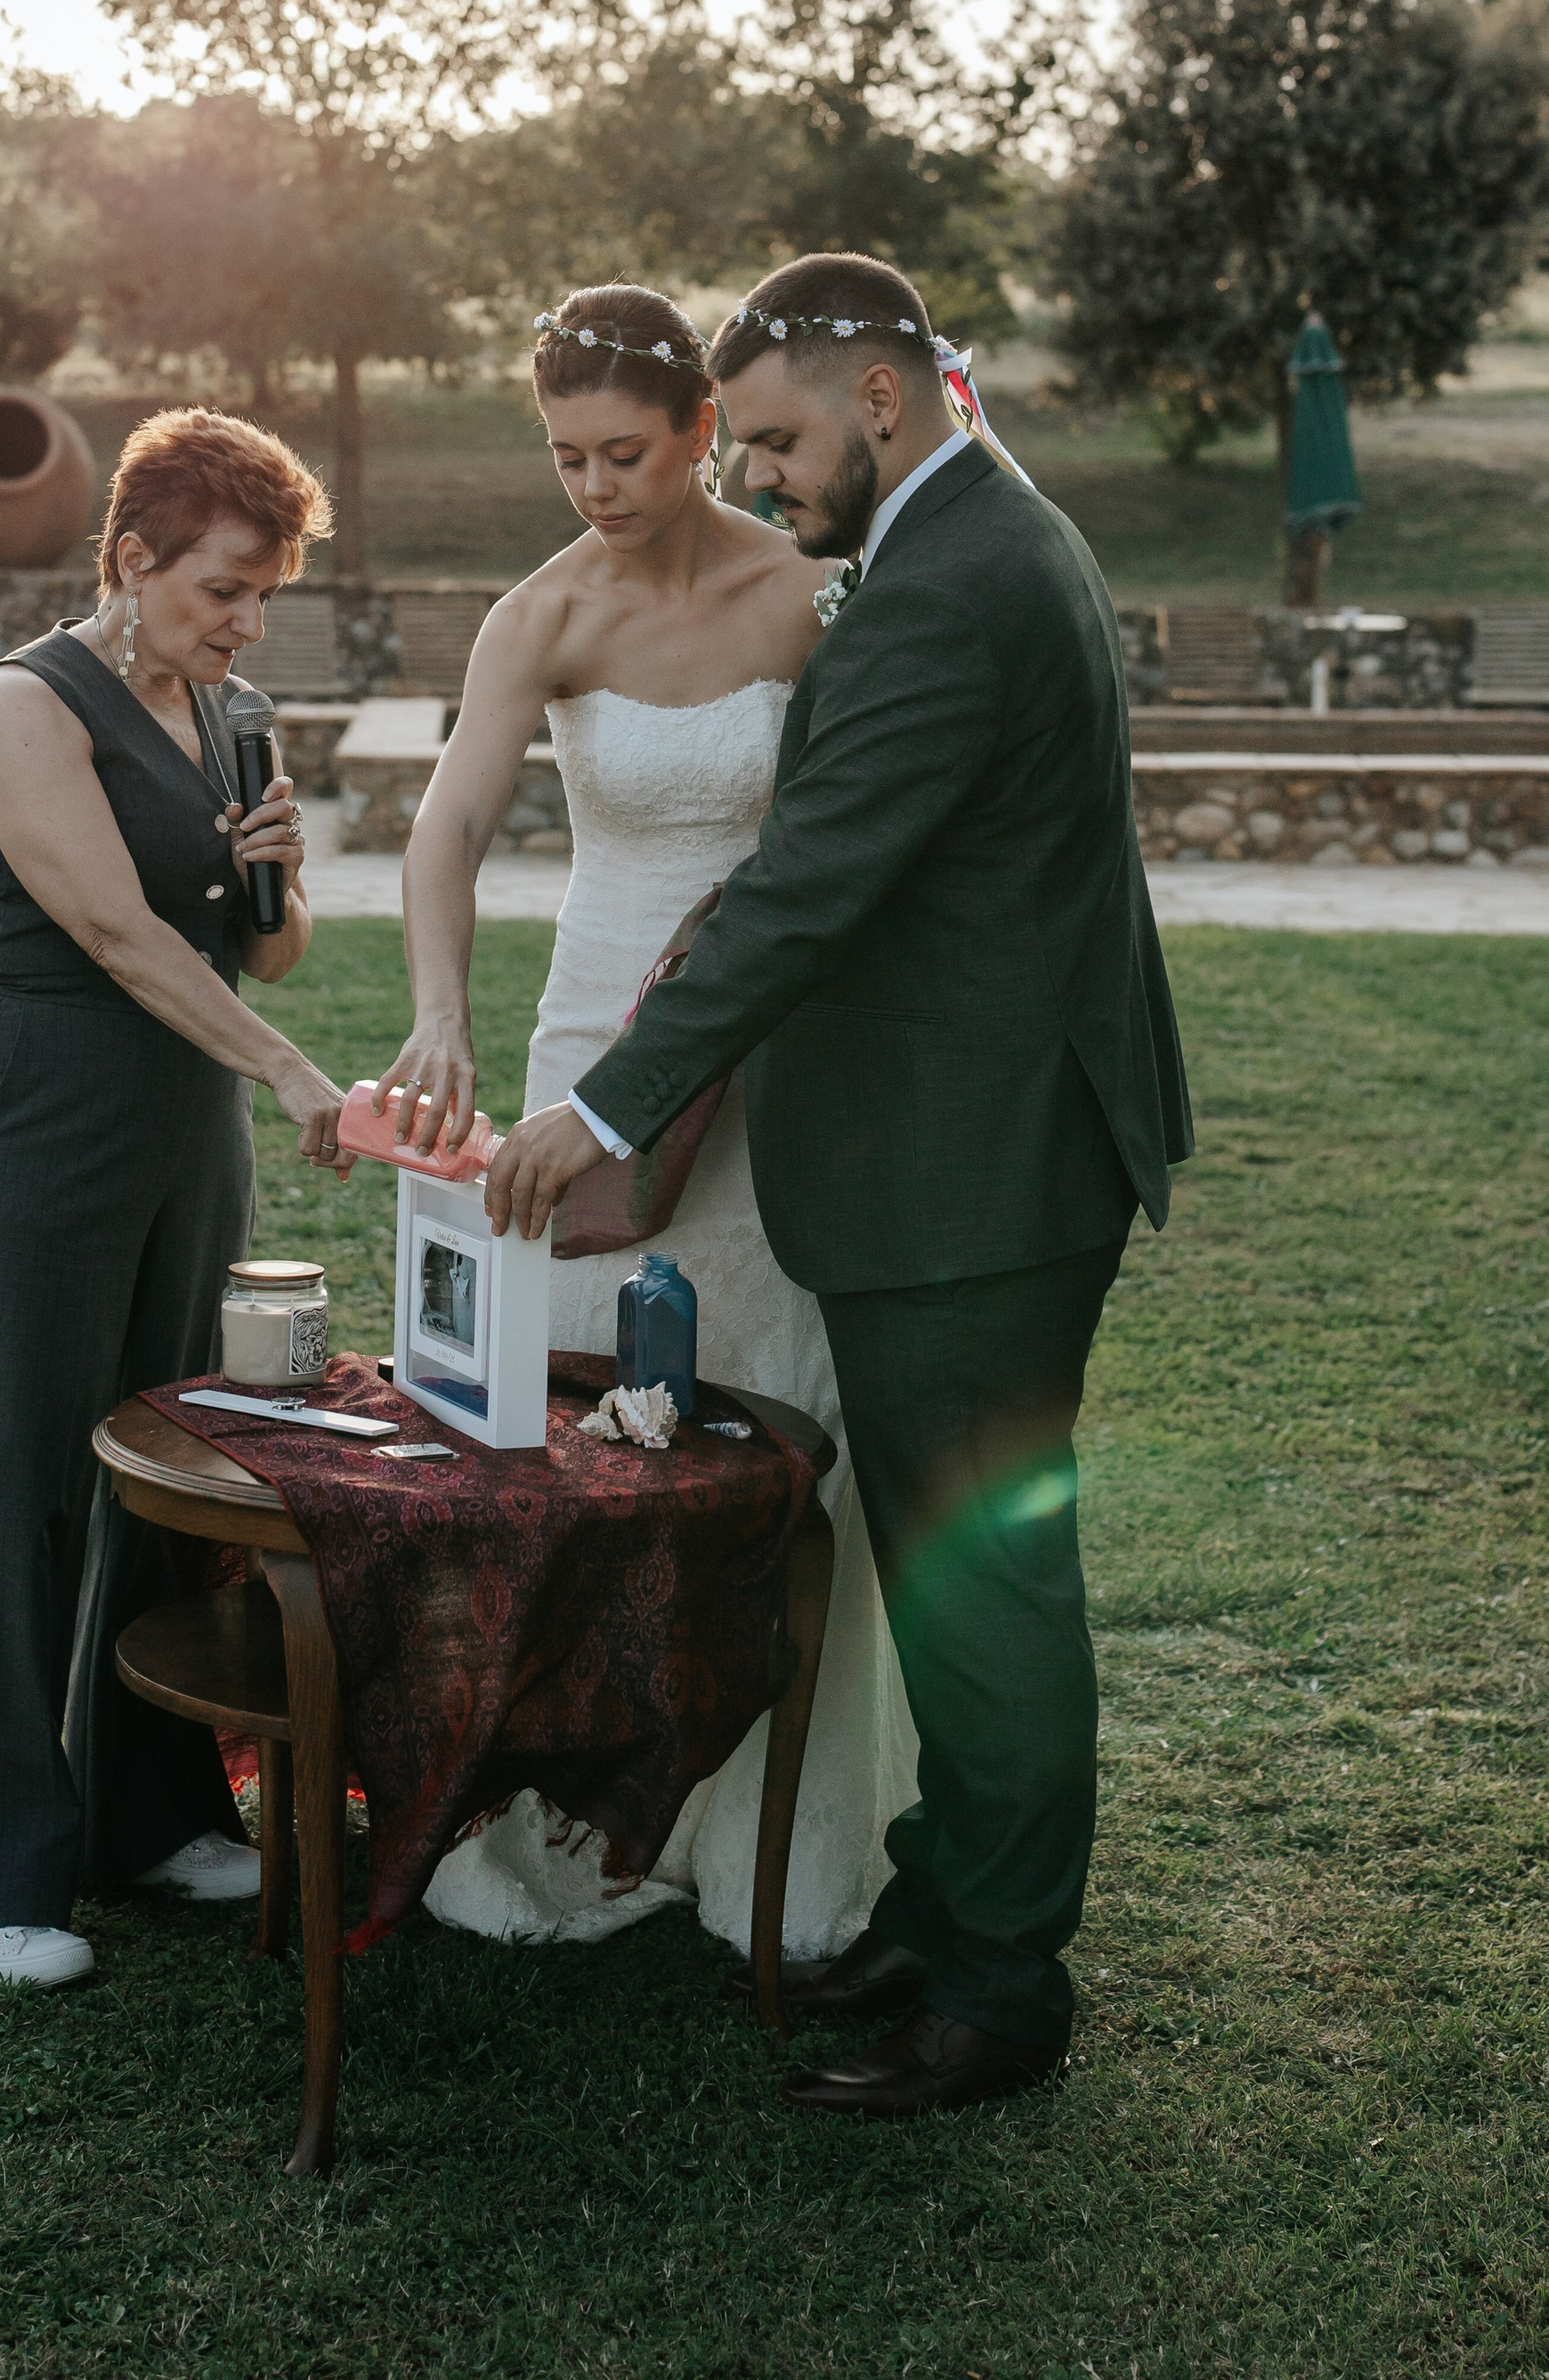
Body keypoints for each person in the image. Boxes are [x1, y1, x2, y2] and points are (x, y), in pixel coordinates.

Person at [485, 254, 1192, 2120]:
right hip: (979, 1148)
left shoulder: (944, 590)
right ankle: (944, 1895)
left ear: (883, 399)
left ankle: (997, 1987)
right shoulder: (981, 525)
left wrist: (608, 1108)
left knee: (985, 1584)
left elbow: (801, 894)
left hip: (974, 1173)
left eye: (786, 437)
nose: (772, 476)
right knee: (946, 1558)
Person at [385, 281, 919, 1958]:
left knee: (761, 1423)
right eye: (565, 458)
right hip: (589, 1053)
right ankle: (583, 1799)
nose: (597, 486)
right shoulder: (538, 614)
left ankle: (764, 1828)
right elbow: (446, 831)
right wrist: (438, 1019)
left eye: (625, 450)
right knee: (582, 1432)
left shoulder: (816, 590)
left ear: (705, 427)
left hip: (775, 1067)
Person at [0, 404, 349, 1990]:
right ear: (131, 558)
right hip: (47, 1093)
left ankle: (144, 1820)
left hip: (180, 1112)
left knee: (166, 1460)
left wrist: (279, 863)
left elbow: (259, 943)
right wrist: (292, 1074)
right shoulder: (27, 707)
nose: (247, 620)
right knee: (14, 1464)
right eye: (226, 586)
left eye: (265, 592)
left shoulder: (233, 711)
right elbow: (119, 936)